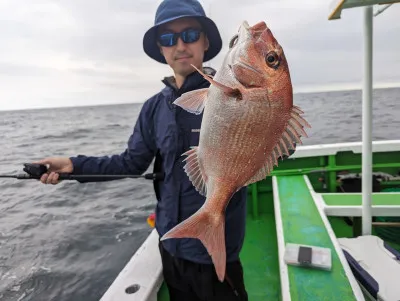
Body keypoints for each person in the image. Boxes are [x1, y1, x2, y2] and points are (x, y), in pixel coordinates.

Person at [35, 0, 249, 300]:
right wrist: (73, 165)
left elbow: (270, 144)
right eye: (167, 38)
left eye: (189, 34)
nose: (179, 45)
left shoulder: (235, 96)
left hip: (215, 251)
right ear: (160, 50)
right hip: (170, 242)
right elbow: (131, 162)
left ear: (205, 41)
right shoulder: (153, 108)